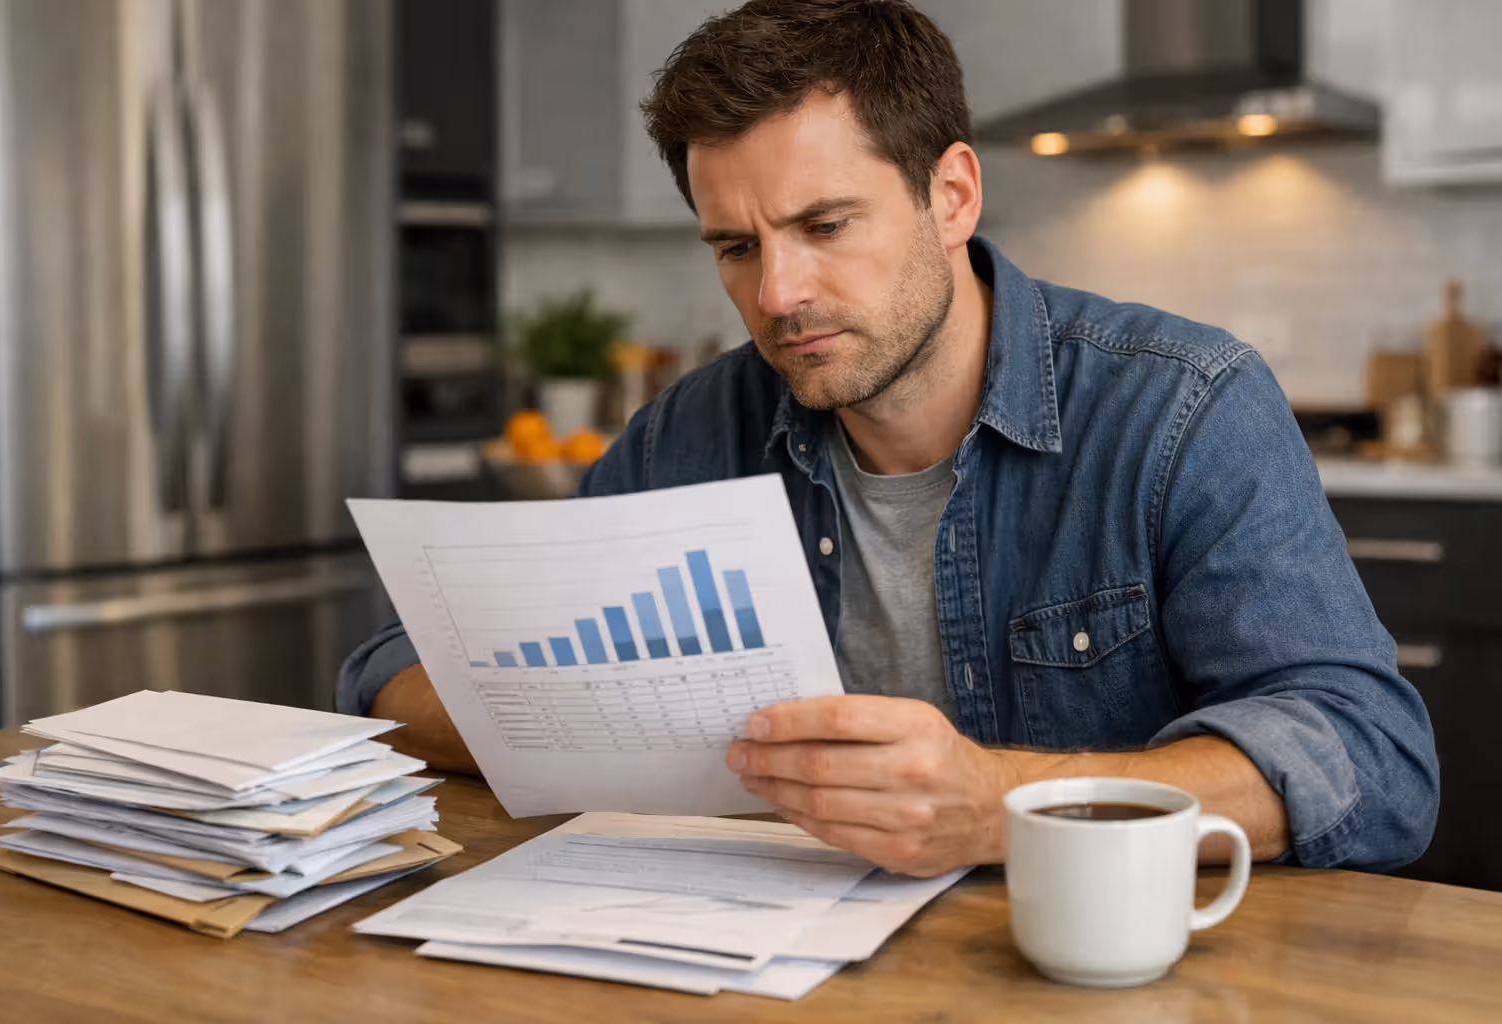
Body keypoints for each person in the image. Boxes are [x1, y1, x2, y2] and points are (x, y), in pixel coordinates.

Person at [339, 0, 1437, 878]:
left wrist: (999, 809)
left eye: (825, 226)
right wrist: (569, 721)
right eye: (733, 246)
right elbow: (392, 670)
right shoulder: (687, 431)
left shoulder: (1184, 406)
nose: (778, 293)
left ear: (951, 195)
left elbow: (1372, 759)